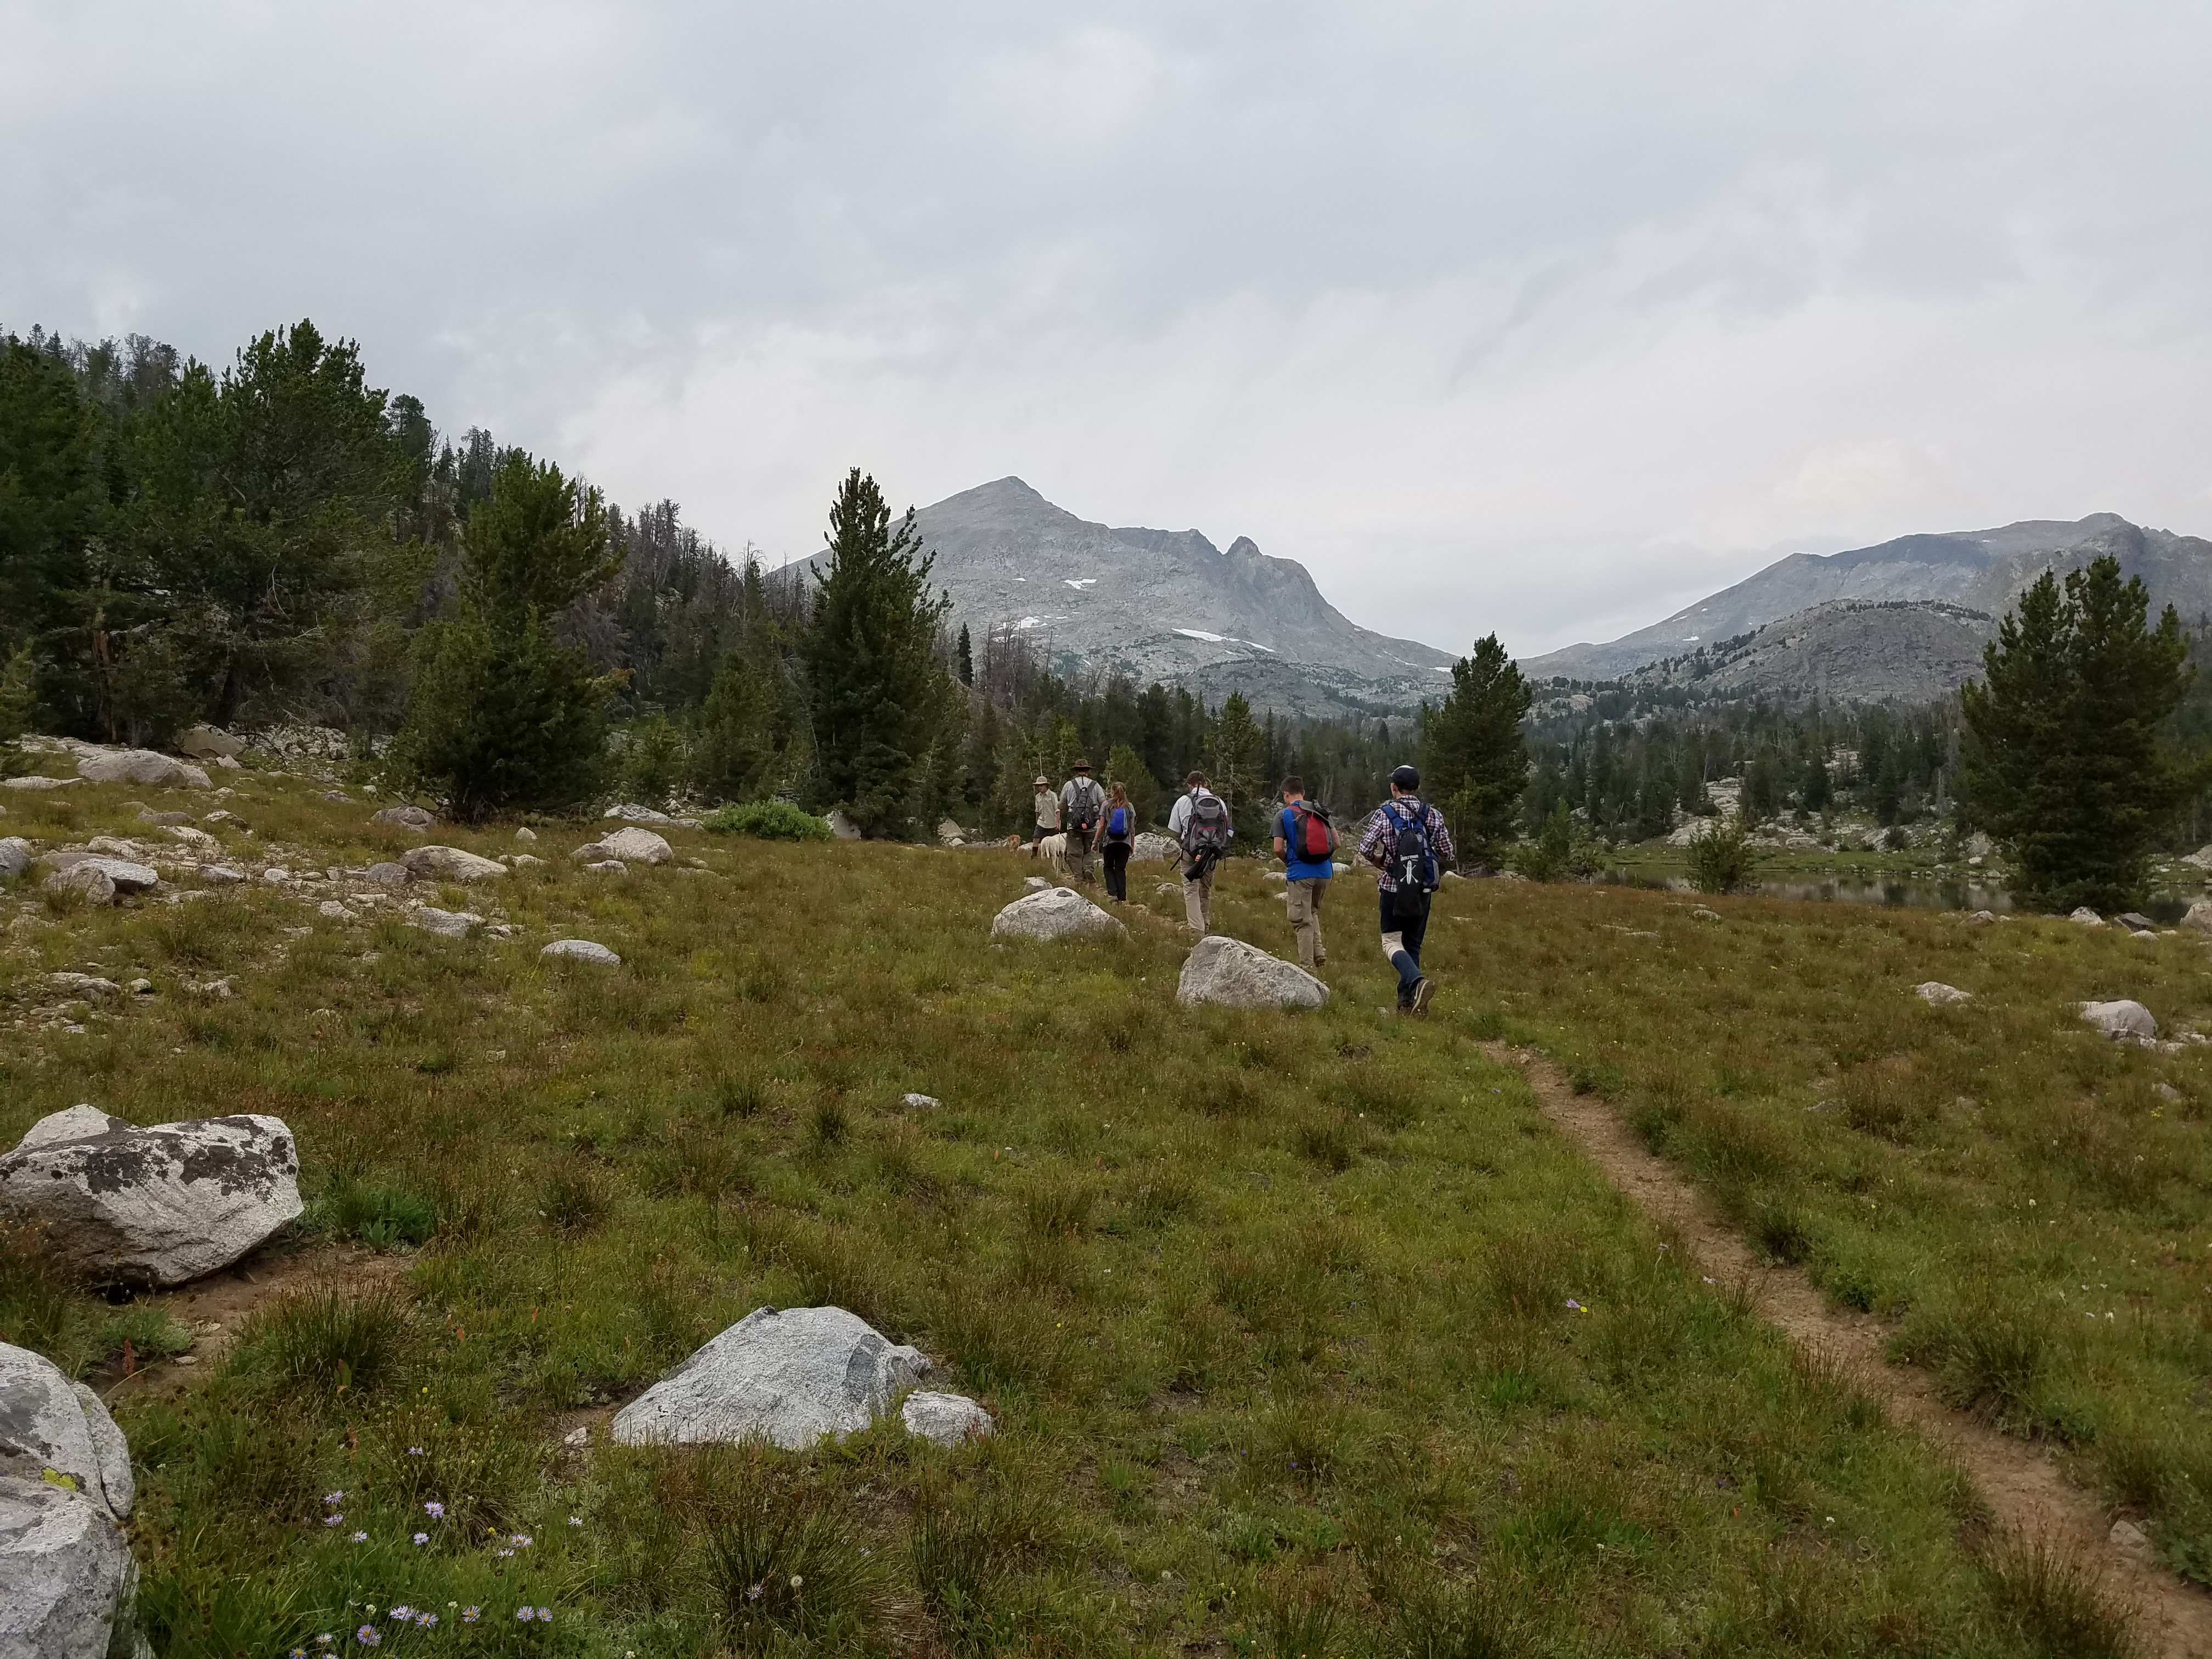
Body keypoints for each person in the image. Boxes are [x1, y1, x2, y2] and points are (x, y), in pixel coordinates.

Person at [1358, 763, 1453, 1014]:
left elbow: (1365, 848)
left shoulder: (1384, 813)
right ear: (1417, 788)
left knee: (1390, 943)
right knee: (1412, 945)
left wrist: (1383, 864)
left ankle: (1418, 982)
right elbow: (1447, 852)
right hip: (1422, 890)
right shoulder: (1432, 815)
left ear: (1393, 788)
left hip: (1393, 887)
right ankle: (1407, 1003)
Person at [1272, 775, 1335, 972]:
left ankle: (1307, 968)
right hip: (1325, 872)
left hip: (1300, 873)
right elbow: (1337, 843)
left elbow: (1277, 848)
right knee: (1312, 912)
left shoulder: (1284, 815)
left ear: (1286, 794)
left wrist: (1288, 861)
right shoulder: (1320, 811)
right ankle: (1319, 952)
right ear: (1304, 793)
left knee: (1301, 921)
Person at [1168, 770, 1233, 935]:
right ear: (1205, 784)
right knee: (1206, 888)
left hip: (1190, 851)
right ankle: (1206, 923)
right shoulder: (1219, 802)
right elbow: (1226, 828)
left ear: (1189, 785)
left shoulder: (1183, 801)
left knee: (1191, 890)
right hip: (1211, 852)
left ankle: (1197, 930)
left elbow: (1174, 829)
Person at [1060, 760, 1106, 882]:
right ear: (1088, 771)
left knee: (1073, 853)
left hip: (1073, 825)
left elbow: (1061, 805)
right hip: (1092, 824)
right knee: (1089, 850)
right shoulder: (1095, 785)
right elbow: (1103, 802)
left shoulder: (1069, 785)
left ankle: (1079, 878)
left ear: (1075, 771)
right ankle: (1088, 869)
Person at [1099, 780, 1136, 901]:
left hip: (1110, 842)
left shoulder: (1107, 805)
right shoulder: (1129, 806)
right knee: (1120, 869)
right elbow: (1131, 829)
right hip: (1125, 842)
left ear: (1112, 792)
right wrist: (1132, 845)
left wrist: (1095, 842)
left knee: (1108, 867)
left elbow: (1101, 826)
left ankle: (1113, 894)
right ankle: (1122, 897)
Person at [1031, 774, 1059, 848]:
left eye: (1041, 785)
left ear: (1046, 786)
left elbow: (1057, 810)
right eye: (1038, 786)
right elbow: (1037, 811)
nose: (1040, 787)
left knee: (1053, 841)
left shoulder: (1053, 795)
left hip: (1052, 823)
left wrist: (1057, 822)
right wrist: (1037, 822)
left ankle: (1053, 857)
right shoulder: (1038, 797)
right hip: (1041, 822)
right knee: (1036, 838)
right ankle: (1034, 857)